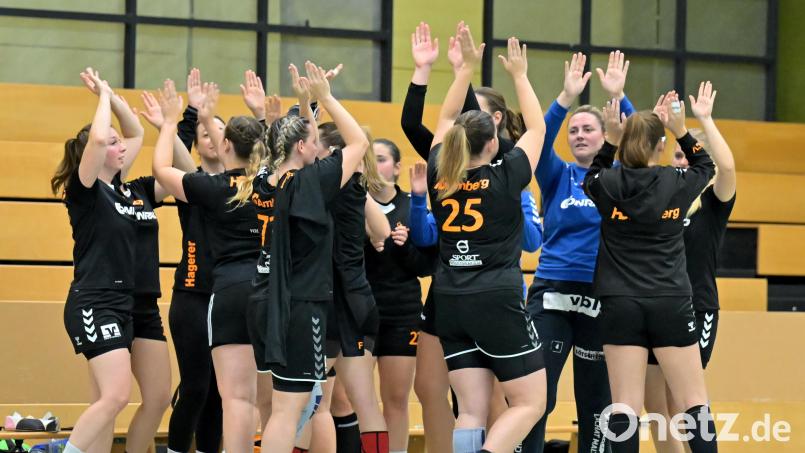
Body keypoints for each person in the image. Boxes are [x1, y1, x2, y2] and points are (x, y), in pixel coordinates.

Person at [427, 27, 547, 453]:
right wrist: (519, 75)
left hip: (449, 299)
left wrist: (462, 72)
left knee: (471, 411)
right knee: (532, 402)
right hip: (496, 297)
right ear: (495, 141)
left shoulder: (438, 174)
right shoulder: (506, 175)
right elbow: (537, 127)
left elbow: (442, 122)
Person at [582, 92, 718, 453]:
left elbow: (591, 176)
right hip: (670, 300)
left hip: (619, 302)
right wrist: (681, 130)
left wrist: (610, 139)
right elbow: (706, 168)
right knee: (693, 400)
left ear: (624, 143)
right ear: (660, 147)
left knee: (625, 403)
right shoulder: (675, 182)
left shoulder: (607, 185)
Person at [521, 50, 636, 453]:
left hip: (600, 297)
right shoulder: (557, 175)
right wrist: (565, 100)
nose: (580, 135)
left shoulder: (618, 177)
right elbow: (539, 139)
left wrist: (620, 97)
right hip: (551, 294)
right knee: (537, 396)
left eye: (588, 129)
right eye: (574, 131)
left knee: (595, 402)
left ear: (605, 135)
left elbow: (638, 143)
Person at [257, 61, 369, 453]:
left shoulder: (266, 178)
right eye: (313, 139)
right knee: (289, 409)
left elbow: (294, 138)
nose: (319, 144)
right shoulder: (312, 182)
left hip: (270, 298)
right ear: (303, 147)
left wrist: (306, 105)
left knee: (287, 405)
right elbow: (358, 143)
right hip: (302, 305)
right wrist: (325, 98)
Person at [152, 79, 264, 453]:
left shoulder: (240, 182)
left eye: (215, 131)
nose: (211, 136)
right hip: (195, 294)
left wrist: (195, 118)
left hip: (229, 292)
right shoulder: (203, 182)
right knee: (197, 387)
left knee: (224, 392)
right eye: (203, 133)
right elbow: (177, 164)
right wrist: (190, 116)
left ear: (227, 143)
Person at [51, 68, 144, 453]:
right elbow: (98, 141)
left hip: (120, 302)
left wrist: (111, 93)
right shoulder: (86, 190)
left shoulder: (119, 189)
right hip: (93, 301)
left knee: (111, 401)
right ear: (97, 151)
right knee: (116, 397)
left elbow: (136, 132)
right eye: (112, 143)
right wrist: (101, 101)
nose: (121, 147)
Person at [644, 82, 736, 453]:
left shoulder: (714, 202)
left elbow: (726, 166)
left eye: (688, 157)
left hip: (696, 306)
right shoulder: (664, 197)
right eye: (677, 157)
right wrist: (654, 124)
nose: (681, 163)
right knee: (655, 406)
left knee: (686, 401)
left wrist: (702, 120)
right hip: (657, 306)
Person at [365, 137, 437, 453]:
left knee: (395, 399)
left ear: (396, 168)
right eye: (370, 159)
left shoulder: (413, 206)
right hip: (358, 312)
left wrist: (405, 245)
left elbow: (425, 267)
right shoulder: (354, 204)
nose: (374, 165)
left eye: (381, 158)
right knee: (352, 400)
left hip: (401, 313)